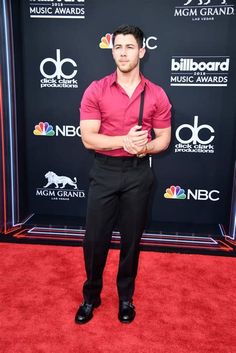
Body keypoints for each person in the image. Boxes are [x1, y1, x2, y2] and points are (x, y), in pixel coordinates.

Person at [75, 24, 171, 325]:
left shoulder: (156, 94)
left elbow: (164, 139)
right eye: (118, 47)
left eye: (130, 47)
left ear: (142, 51)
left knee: (131, 241)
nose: (123, 53)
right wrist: (124, 141)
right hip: (103, 171)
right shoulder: (96, 89)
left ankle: (125, 297)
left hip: (138, 174)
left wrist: (144, 149)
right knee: (94, 240)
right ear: (112, 50)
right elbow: (88, 138)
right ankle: (91, 296)